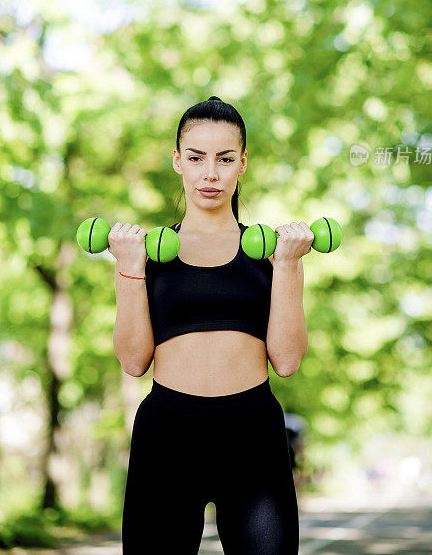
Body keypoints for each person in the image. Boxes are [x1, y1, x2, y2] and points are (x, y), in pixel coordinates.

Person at [110, 96, 313, 554]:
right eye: (197, 158)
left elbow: (287, 360)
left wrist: (287, 266)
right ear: (178, 161)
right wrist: (128, 268)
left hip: (252, 433)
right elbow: (132, 360)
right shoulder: (146, 254)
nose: (210, 173)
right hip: (167, 432)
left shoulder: (272, 253)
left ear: (242, 164)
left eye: (224, 159)